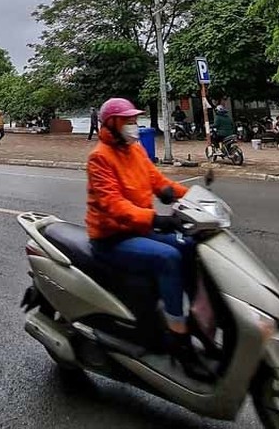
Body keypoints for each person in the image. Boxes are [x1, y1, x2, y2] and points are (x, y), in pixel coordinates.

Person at [86, 97, 211, 381]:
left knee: (190, 245)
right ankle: (179, 342)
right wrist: (157, 219)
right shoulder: (99, 158)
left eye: (134, 120)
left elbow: (158, 182)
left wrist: (193, 198)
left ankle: (197, 320)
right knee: (168, 258)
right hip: (112, 238)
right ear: (111, 124)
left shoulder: (137, 149)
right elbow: (114, 206)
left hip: (139, 230)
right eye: (127, 121)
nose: (134, 125)